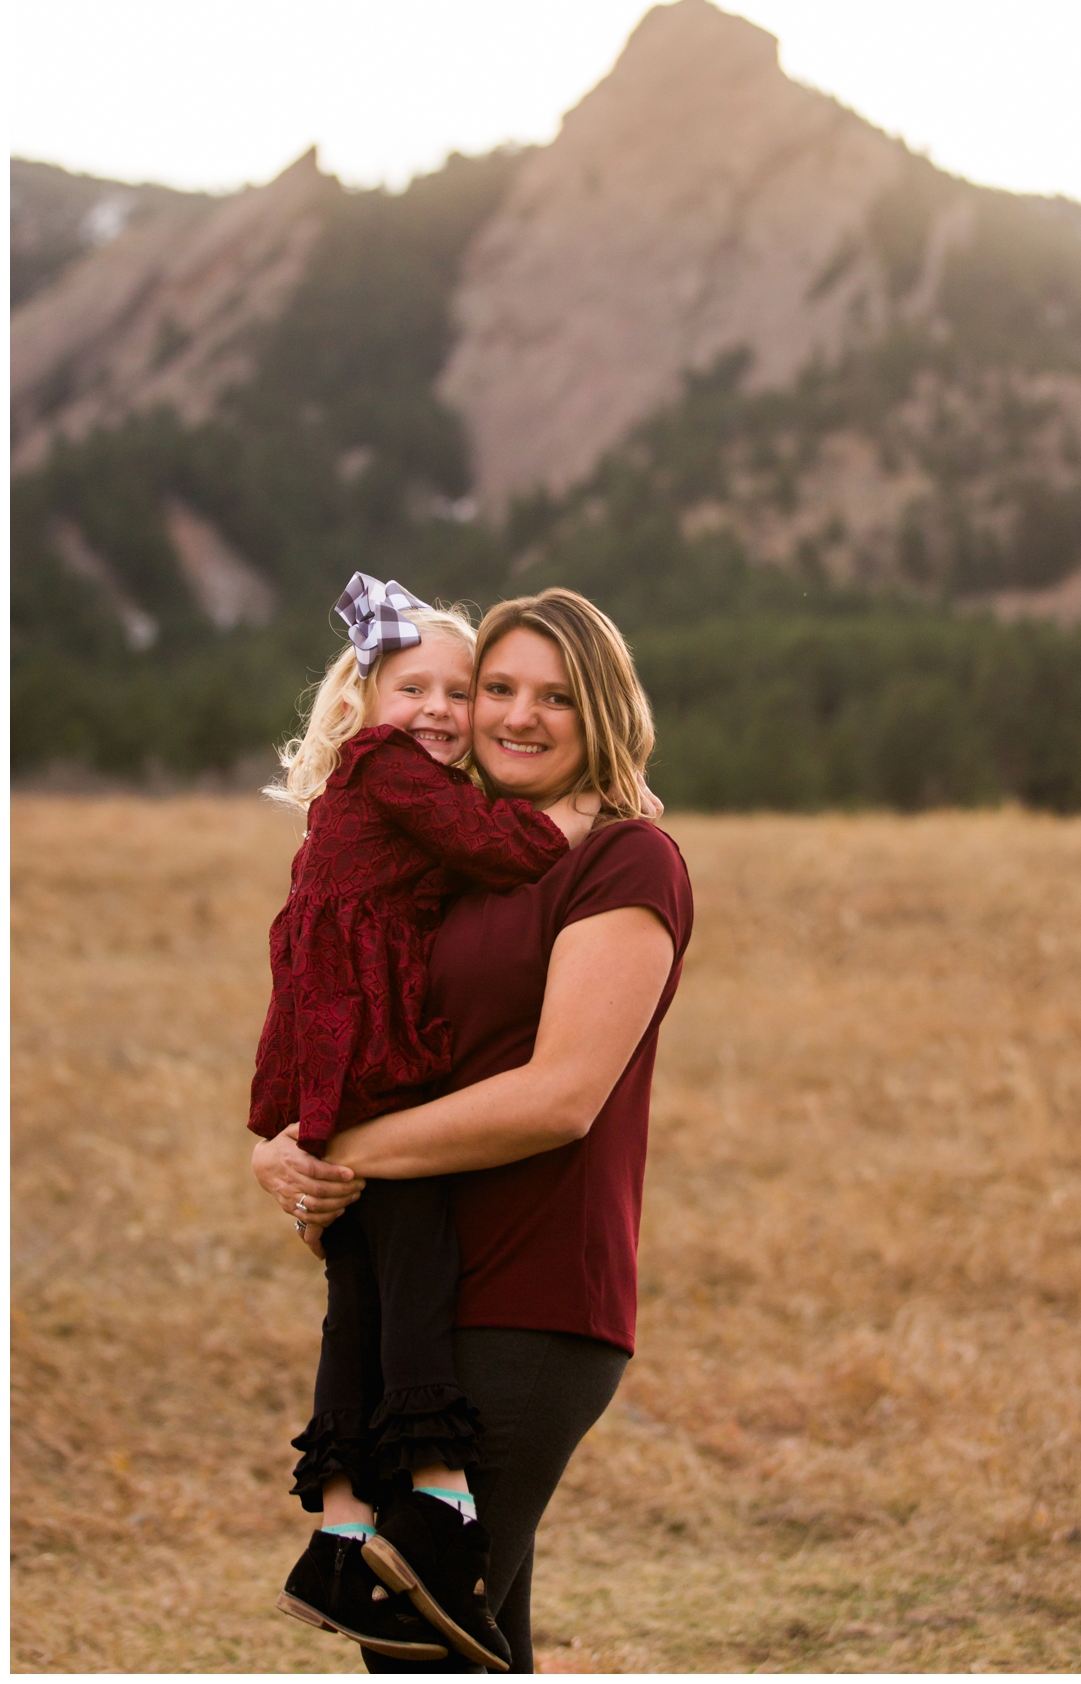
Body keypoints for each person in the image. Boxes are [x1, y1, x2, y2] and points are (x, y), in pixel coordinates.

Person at [256, 587, 695, 1670]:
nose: (514, 715)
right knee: (464, 1638)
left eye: (556, 697)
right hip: (424, 1287)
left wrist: (342, 1157)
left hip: (533, 1295)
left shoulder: (625, 862)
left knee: (414, 1637)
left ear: (603, 713)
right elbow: (347, 1005)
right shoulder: (452, 853)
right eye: (496, 687)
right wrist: (279, 1142)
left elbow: (560, 1097)